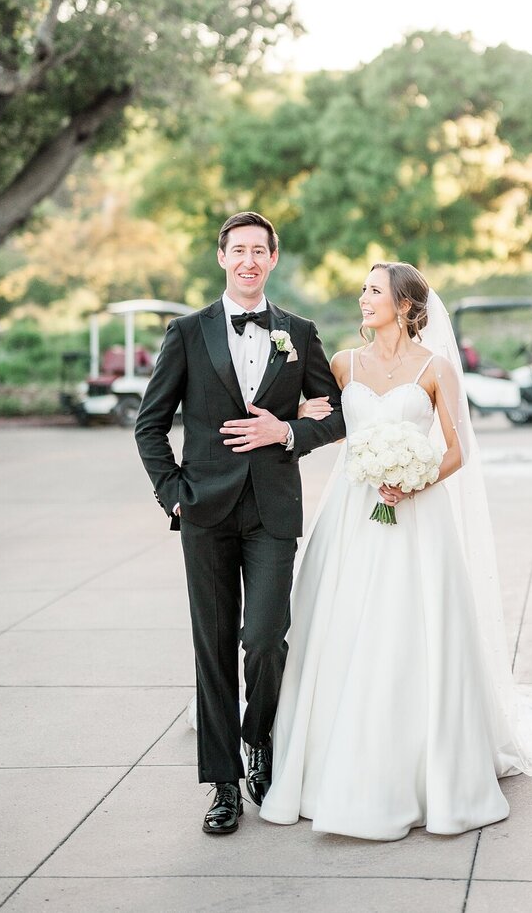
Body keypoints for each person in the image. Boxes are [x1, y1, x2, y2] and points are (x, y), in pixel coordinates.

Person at [260, 262, 532, 841]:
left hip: (416, 517)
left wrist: (414, 479)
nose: (363, 297)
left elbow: (457, 450)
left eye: (374, 290)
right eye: (365, 289)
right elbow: (323, 423)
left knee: (408, 635)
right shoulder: (343, 365)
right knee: (339, 629)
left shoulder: (434, 369)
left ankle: (421, 773)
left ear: (403, 305)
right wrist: (284, 425)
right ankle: (325, 768)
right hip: (351, 515)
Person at [134, 211, 345, 835]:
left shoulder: (299, 334)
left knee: (264, 639)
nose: (250, 260)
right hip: (204, 510)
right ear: (222, 257)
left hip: (273, 510)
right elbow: (150, 424)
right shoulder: (186, 332)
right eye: (239, 250)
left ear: (273, 260)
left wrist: (288, 431)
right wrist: (172, 493)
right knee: (214, 647)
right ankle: (223, 783)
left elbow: (339, 416)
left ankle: (261, 739)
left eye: (261, 250)